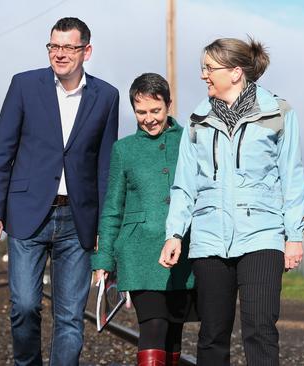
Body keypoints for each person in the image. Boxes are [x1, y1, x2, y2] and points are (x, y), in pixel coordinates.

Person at [159, 37, 304, 366]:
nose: (203, 76)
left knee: (260, 329)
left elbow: (292, 177)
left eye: (209, 68)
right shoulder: (198, 121)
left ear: (236, 72)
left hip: (262, 234)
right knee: (212, 334)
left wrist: (293, 235)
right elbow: (184, 182)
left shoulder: (278, 113)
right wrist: (175, 233)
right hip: (210, 238)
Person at [0, 17, 119, 366]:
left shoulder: (107, 97)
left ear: (86, 51)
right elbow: (2, 151)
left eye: (68, 47)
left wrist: (105, 228)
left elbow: (105, 166)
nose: (59, 54)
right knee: (25, 306)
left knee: (70, 319)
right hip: (27, 213)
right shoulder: (24, 86)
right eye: (53, 46)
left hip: (79, 219)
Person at [92, 73, 196, 366]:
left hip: (183, 253)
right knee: (153, 325)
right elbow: (113, 207)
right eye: (141, 112)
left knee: (174, 330)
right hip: (139, 253)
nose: (148, 118)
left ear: (168, 105)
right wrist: (103, 261)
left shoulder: (190, 140)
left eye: (155, 111)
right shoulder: (123, 149)